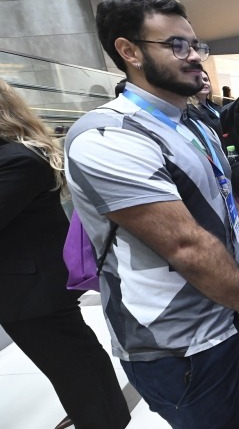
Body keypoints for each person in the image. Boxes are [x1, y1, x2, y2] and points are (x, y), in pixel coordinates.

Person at [65, 0, 239, 428]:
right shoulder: (107, 137)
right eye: (176, 45)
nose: (196, 56)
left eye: (195, 44)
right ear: (129, 51)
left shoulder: (194, 121)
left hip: (228, 316)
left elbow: (229, 207)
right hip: (174, 343)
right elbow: (188, 249)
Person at [0, 79, 130, 429]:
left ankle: (103, 418)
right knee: (72, 362)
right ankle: (96, 413)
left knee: (74, 363)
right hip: (28, 287)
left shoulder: (16, 159)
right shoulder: (17, 154)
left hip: (31, 291)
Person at [190, 66, 222, 136]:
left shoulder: (216, 107)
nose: (204, 83)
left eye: (205, 79)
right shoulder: (190, 111)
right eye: (198, 80)